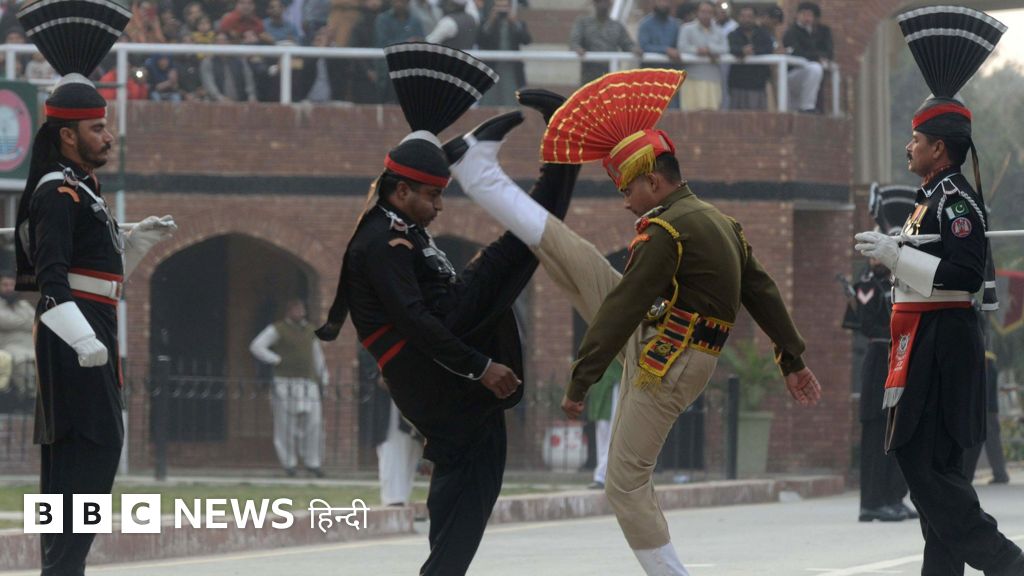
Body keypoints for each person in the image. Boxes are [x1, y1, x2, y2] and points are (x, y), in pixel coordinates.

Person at [449, 69, 821, 575]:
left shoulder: (665, 230)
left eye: (627, 188)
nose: (625, 200)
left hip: (665, 359)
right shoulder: (721, 223)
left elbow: (625, 306)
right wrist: (792, 360)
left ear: (654, 181)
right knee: (574, 254)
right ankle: (480, 175)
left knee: (624, 482)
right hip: (664, 341)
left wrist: (581, 379)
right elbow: (764, 293)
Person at [315, 44, 579, 576]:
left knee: (472, 470)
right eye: (432, 197)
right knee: (518, 248)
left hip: (440, 356)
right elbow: (412, 319)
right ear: (401, 190)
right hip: (432, 354)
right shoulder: (379, 241)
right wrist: (480, 367)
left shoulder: (402, 229)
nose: (438, 208)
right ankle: (538, 156)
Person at [854, 6, 1024, 574]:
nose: (909, 147)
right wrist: (893, 253)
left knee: (922, 463)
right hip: (922, 339)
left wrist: (895, 255)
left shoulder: (955, 202)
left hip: (943, 343)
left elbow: (964, 276)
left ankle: (1005, 562)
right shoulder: (929, 198)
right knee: (935, 474)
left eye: (917, 139)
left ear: (940, 149)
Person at [13, 1, 176, 572]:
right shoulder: (56, 192)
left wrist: (134, 242)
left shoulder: (81, 188)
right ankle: (62, 567)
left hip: (92, 327)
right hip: (74, 338)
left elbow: (100, 275)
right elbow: (52, 282)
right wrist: (84, 341)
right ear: (66, 135)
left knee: (81, 462)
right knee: (89, 454)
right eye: (97, 128)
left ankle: (63, 567)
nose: (109, 136)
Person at [842, 185, 916, 523]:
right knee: (876, 435)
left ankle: (891, 496)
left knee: (897, 433)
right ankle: (872, 501)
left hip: (898, 359)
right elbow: (868, 321)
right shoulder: (868, 285)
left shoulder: (897, 281)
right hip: (879, 362)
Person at [249, 298, 328, 478]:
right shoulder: (278, 329)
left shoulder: (310, 331)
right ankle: (289, 463)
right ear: (289, 311)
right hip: (284, 381)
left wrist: (323, 377)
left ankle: (313, 462)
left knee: (313, 424)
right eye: (296, 309)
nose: (300, 312)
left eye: (301, 309)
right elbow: (257, 346)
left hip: (308, 382)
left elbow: (318, 355)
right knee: (285, 424)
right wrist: (276, 359)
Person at [676, 1, 728, 111]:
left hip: (713, 79)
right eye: (703, 12)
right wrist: (698, 50)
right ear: (697, 12)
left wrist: (709, 49)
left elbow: (725, 48)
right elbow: (682, 47)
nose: (706, 15)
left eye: (709, 12)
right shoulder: (686, 28)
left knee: (712, 115)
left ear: (713, 14)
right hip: (692, 78)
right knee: (690, 115)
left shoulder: (719, 31)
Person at [569, 0, 636, 84]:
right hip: (589, 73)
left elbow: (627, 44)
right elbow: (574, 42)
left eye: (606, 1)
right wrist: (578, 49)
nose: (603, 4)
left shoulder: (617, 26)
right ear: (594, 3)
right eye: (599, 1)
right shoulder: (583, 23)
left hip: (610, 73)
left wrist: (634, 49)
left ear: (610, 4)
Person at [782, 2, 831, 113]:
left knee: (815, 69)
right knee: (815, 68)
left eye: (809, 15)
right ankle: (807, 106)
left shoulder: (819, 32)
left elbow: (828, 51)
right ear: (797, 15)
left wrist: (821, 57)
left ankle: (809, 107)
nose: (806, 18)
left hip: (811, 75)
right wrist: (816, 57)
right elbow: (797, 52)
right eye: (803, 14)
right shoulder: (791, 32)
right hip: (794, 73)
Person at [726, 6, 773, 110]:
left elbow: (768, 49)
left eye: (749, 16)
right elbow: (729, 48)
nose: (746, 19)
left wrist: (753, 50)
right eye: (743, 16)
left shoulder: (764, 34)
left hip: (758, 84)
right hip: (737, 83)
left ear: (755, 18)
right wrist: (741, 51)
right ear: (739, 18)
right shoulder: (733, 35)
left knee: (757, 117)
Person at [637, 0, 682, 108]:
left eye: (666, 1)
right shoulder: (645, 24)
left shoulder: (676, 25)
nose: (664, 4)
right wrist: (665, 50)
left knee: (673, 111)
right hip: (651, 78)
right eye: (661, 1)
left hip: (671, 78)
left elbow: (680, 47)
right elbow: (644, 46)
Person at [586, 359, 620, 490]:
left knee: (613, 434)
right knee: (603, 434)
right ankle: (601, 475)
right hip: (601, 388)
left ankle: (603, 475)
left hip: (614, 386)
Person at [0, 271, 35, 398]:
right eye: (5, 285)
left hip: (32, 346)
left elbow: (37, 321)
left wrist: (18, 321)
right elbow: (5, 321)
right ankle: (29, 396)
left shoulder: (24, 305)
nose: (9, 288)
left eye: (12, 285)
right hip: (9, 348)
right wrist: (27, 321)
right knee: (22, 361)